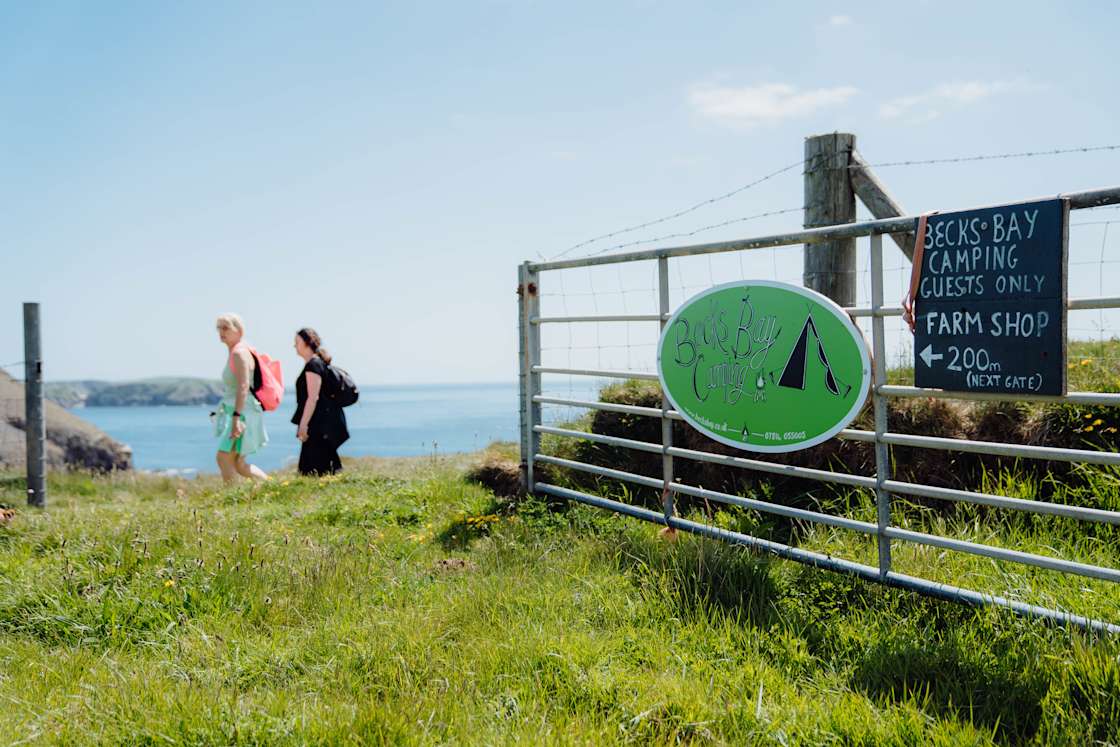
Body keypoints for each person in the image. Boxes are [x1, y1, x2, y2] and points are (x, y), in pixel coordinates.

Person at [214, 313, 269, 483]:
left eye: (226, 327)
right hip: (239, 411)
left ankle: (232, 500)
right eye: (219, 328)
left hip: (242, 413)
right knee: (239, 463)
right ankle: (271, 486)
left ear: (238, 330)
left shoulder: (239, 353)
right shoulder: (236, 352)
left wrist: (237, 418)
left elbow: (243, 386)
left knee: (224, 457)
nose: (221, 332)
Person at [292, 327, 349, 475]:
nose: (294, 346)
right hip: (321, 423)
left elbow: (313, 398)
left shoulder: (313, 365)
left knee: (314, 469)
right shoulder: (316, 364)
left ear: (307, 343)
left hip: (318, 425)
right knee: (322, 468)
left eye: (297, 342)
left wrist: (303, 425)